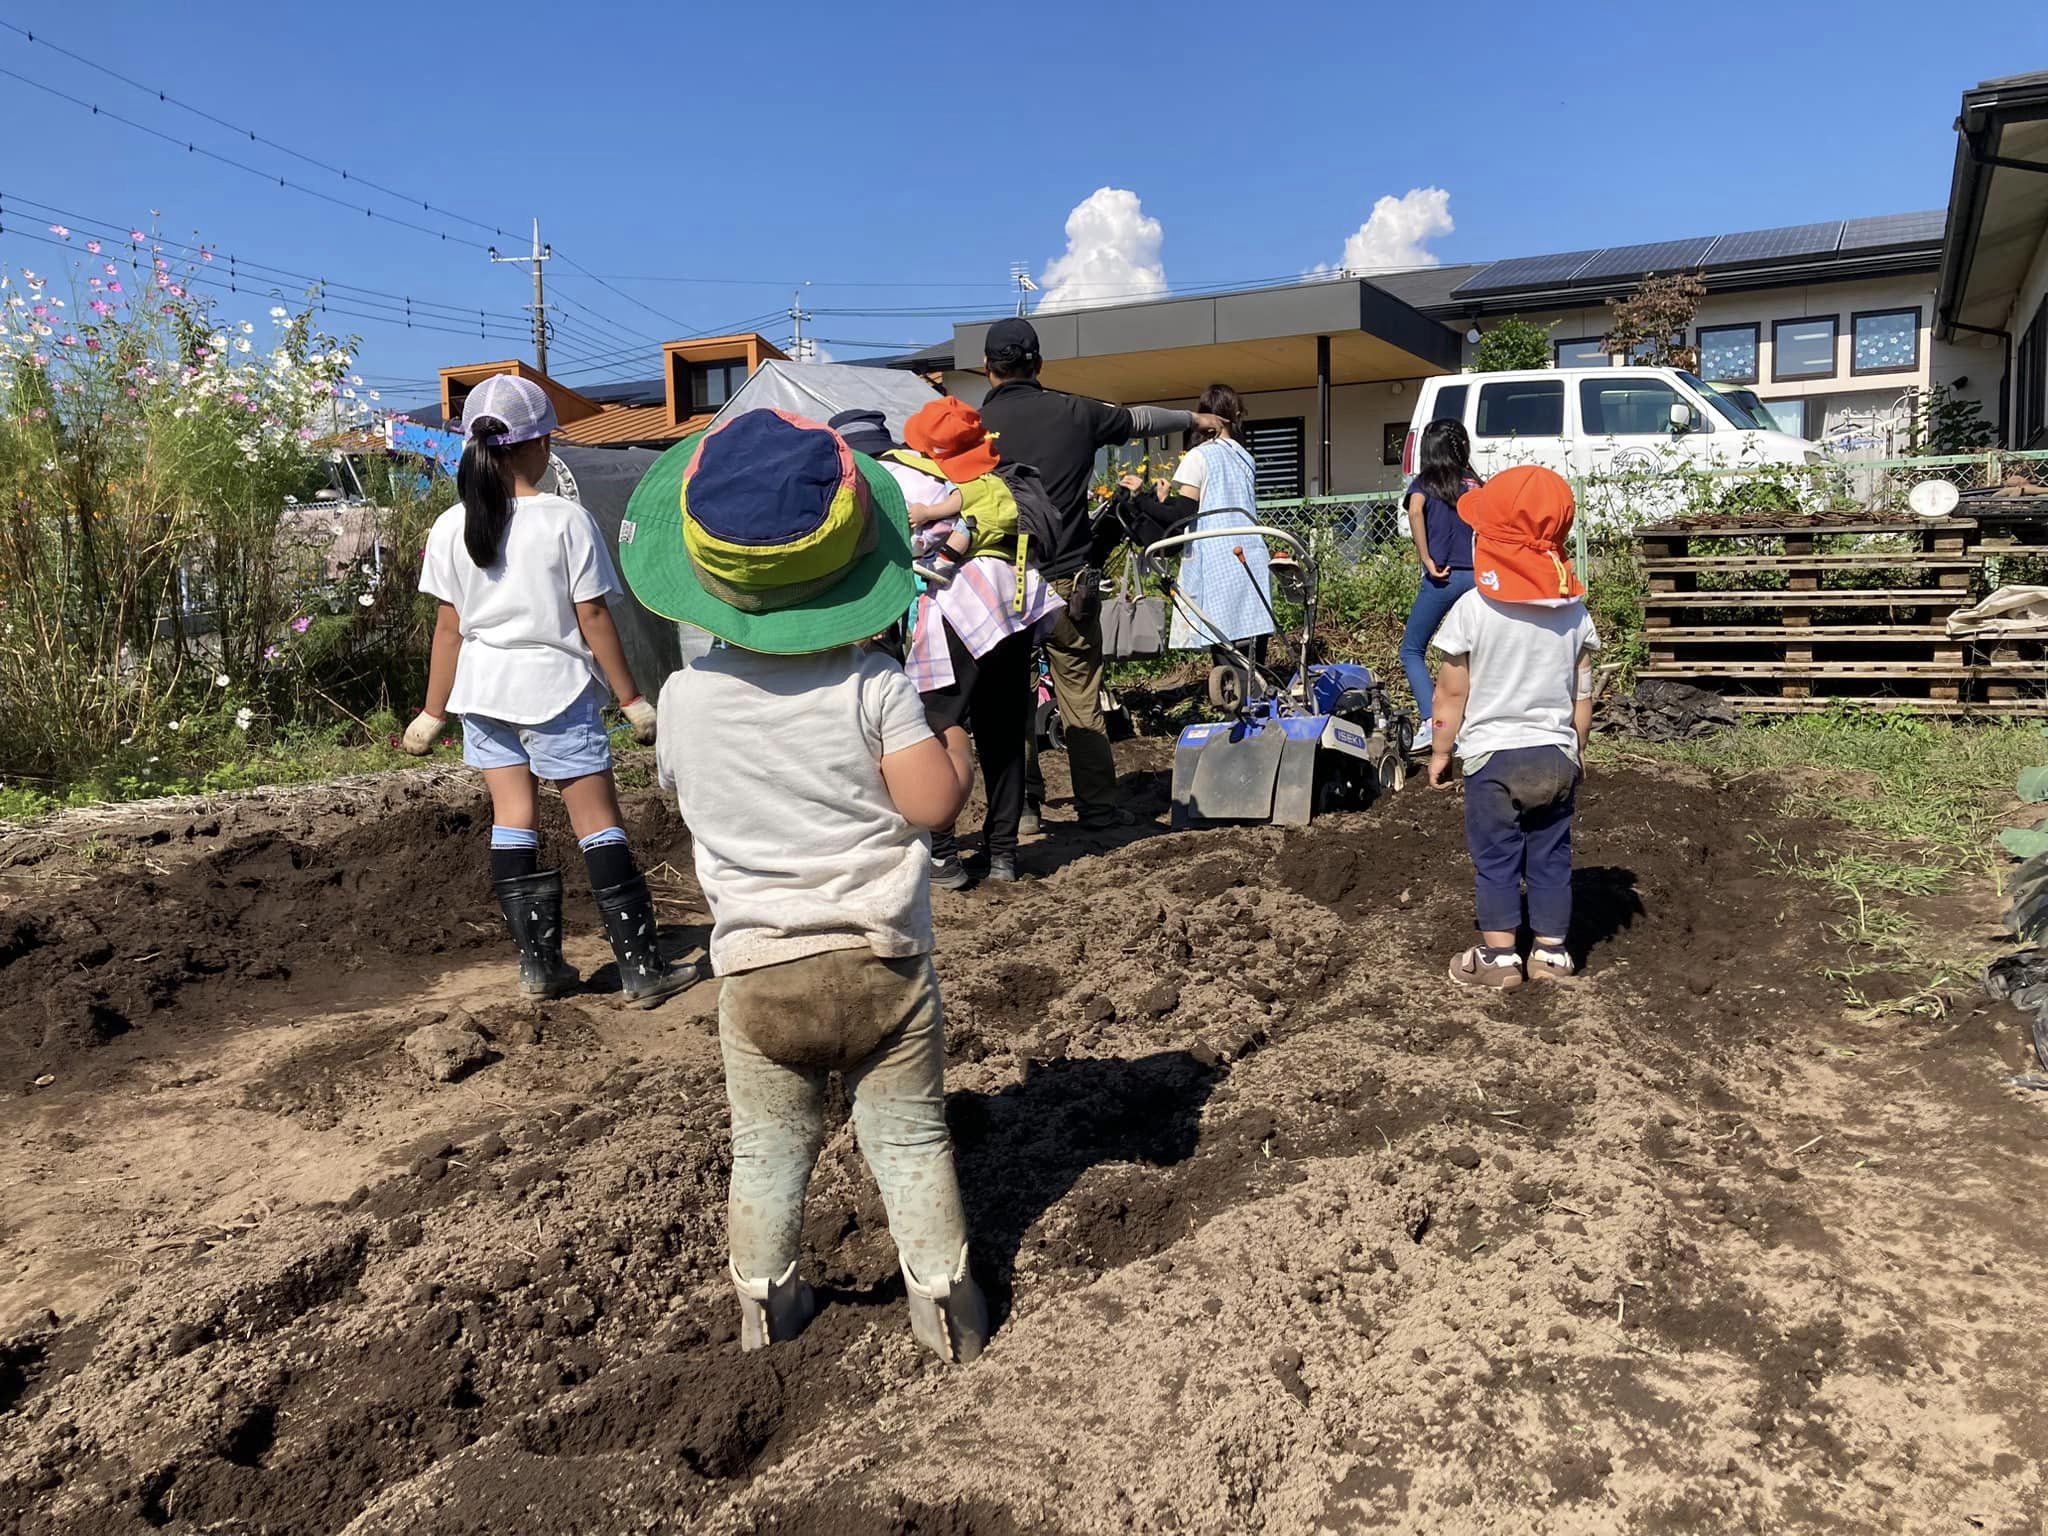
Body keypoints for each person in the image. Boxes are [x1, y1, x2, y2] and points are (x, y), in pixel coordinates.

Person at [622, 406, 990, 1363]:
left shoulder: (684, 699)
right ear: (854, 569)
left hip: (758, 973)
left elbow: (687, 793)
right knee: (910, 1140)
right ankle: (946, 1303)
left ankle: (764, 1304)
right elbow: (931, 806)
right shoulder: (875, 685)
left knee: (768, 1149)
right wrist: (954, 740)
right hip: (880, 963)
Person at [401, 374, 692, 1010]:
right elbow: (593, 618)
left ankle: (540, 967)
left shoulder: (451, 524)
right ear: (540, 444)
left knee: (513, 820)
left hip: (482, 692)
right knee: (598, 823)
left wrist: (431, 712)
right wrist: (632, 700)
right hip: (555, 691)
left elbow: (449, 629)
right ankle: (642, 969)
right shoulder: (565, 519)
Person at [974, 316, 1231, 832]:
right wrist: (1194, 417)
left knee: (1007, 700)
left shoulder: (972, 426)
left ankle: (1022, 809)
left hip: (999, 583)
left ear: (986, 368)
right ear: (1039, 364)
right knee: (1080, 695)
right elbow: (1140, 420)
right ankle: (1096, 807)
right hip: (1069, 581)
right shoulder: (1076, 412)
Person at [1425, 465, 1601, 991]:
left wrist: (1440, 750)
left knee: (1497, 859)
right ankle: (1551, 954)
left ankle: (1499, 959)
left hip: (1493, 760)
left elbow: (1450, 693)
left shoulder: (1472, 609)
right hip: (1554, 756)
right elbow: (1582, 695)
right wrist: (1577, 750)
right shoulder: (1574, 613)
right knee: (1550, 856)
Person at [892, 397, 1064, 888]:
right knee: (1004, 730)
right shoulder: (1004, 480)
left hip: (955, 609)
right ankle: (1004, 853)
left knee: (936, 725)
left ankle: (944, 854)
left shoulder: (912, 476)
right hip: (1012, 604)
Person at [1121, 384, 1273, 668]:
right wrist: (1165, 501)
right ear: (1236, 415)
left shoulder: (1199, 456)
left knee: (1225, 645)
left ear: (1205, 416)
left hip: (1217, 558)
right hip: (1250, 552)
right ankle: (1259, 692)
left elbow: (1182, 514)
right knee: (1253, 644)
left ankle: (1235, 693)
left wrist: (1140, 498)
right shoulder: (1245, 457)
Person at [1401, 420, 1482, 753]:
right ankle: (1472, 726)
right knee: (1473, 653)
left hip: (1442, 577)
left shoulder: (1425, 482)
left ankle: (1431, 724)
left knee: (1412, 650)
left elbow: (1415, 512)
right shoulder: (1475, 483)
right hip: (1478, 578)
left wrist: (1427, 559)